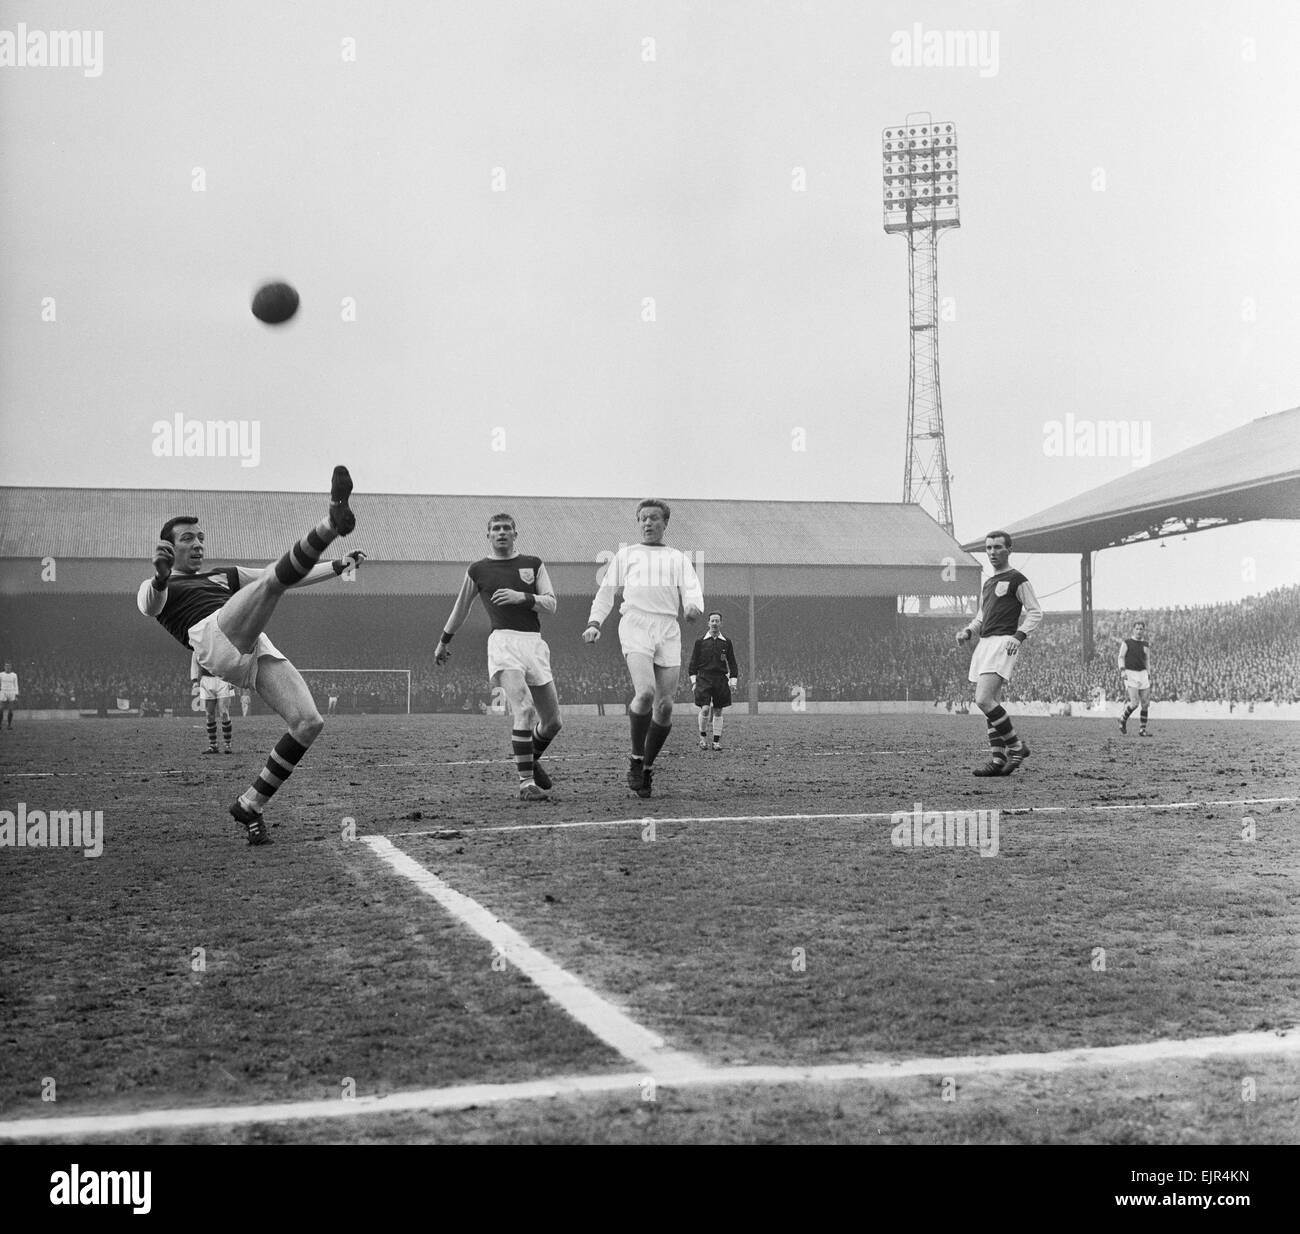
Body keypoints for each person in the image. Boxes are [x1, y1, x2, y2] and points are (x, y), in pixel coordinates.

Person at [137, 465, 365, 845]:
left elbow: (281, 575)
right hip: (212, 638)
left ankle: (251, 804)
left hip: (251, 644)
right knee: (274, 583)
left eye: (200, 538)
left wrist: (339, 566)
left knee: (308, 723)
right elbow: (149, 604)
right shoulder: (158, 584)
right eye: (187, 539)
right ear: (169, 547)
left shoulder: (224, 574)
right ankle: (330, 521)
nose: (197, 544)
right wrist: (160, 578)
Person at [435, 513, 562, 800]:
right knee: (525, 709)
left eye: (507, 528)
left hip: (534, 644)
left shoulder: (533, 564)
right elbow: (461, 609)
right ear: (488, 536)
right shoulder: (478, 570)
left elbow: (552, 604)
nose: (501, 532)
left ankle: (529, 757)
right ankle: (526, 784)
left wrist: (523, 598)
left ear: (516, 533)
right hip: (504, 642)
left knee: (553, 722)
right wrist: (444, 640)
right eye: (495, 529)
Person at [583, 499, 703, 798]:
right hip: (636, 623)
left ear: (665, 523)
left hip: (667, 628)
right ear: (638, 523)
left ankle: (647, 768)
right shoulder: (626, 554)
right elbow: (606, 592)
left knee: (665, 706)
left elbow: (692, 590)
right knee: (646, 693)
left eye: (654, 518)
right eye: (643, 519)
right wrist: (595, 622)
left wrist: (692, 608)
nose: (648, 523)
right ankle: (636, 758)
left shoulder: (678, 558)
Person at [955, 530, 1043, 776]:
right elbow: (982, 617)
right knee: (991, 704)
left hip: (1003, 642)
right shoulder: (989, 583)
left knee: (982, 699)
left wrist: (1019, 635)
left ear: (1009, 550)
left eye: (997, 547)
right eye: (989, 548)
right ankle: (997, 760)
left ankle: (1016, 747)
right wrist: (968, 631)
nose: (992, 552)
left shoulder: (1017, 579)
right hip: (985, 643)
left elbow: (1035, 611)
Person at [688, 611, 739, 750]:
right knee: (705, 709)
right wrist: (694, 681)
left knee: (718, 710)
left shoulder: (726, 642)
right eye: (712, 621)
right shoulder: (700, 642)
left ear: (721, 623)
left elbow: (732, 662)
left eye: (717, 621)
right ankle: (702, 738)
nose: (715, 623)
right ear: (708, 623)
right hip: (704, 677)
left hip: (720, 679)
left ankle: (716, 741)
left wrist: (733, 681)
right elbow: (693, 663)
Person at [1117, 620, 1153, 736]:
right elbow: (1121, 657)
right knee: (1134, 703)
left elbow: (1147, 659)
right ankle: (1123, 718)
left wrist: (1149, 673)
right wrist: (1122, 670)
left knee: (1145, 703)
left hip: (1143, 674)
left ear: (1144, 630)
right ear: (1133, 629)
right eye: (1137, 628)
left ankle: (1142, 729)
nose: (1139, 631)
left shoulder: (1146, 644)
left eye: (1141, 629)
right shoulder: (1127, 643)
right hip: (1130, 673)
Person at [197, 674, 236, 753]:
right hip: (207, 680)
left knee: (224, 713)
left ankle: (227, 745)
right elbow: (196, 662)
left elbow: (230, 661)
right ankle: (213, 745)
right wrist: (195, 680)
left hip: (223, 679)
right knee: (209, 715)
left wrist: (233, 680)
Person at [0, 661, 17, 730]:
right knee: (1, 709)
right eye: (6, 666)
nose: (8, 667)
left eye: (9, 666)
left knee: (10, 710)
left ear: (11, 667)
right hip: (3, 691)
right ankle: (0, 724)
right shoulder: (1, 674)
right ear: (4, 667)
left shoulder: (14, 675)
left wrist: (16, 694)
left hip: (11, 692)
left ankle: (9, 725)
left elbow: (16, 685)